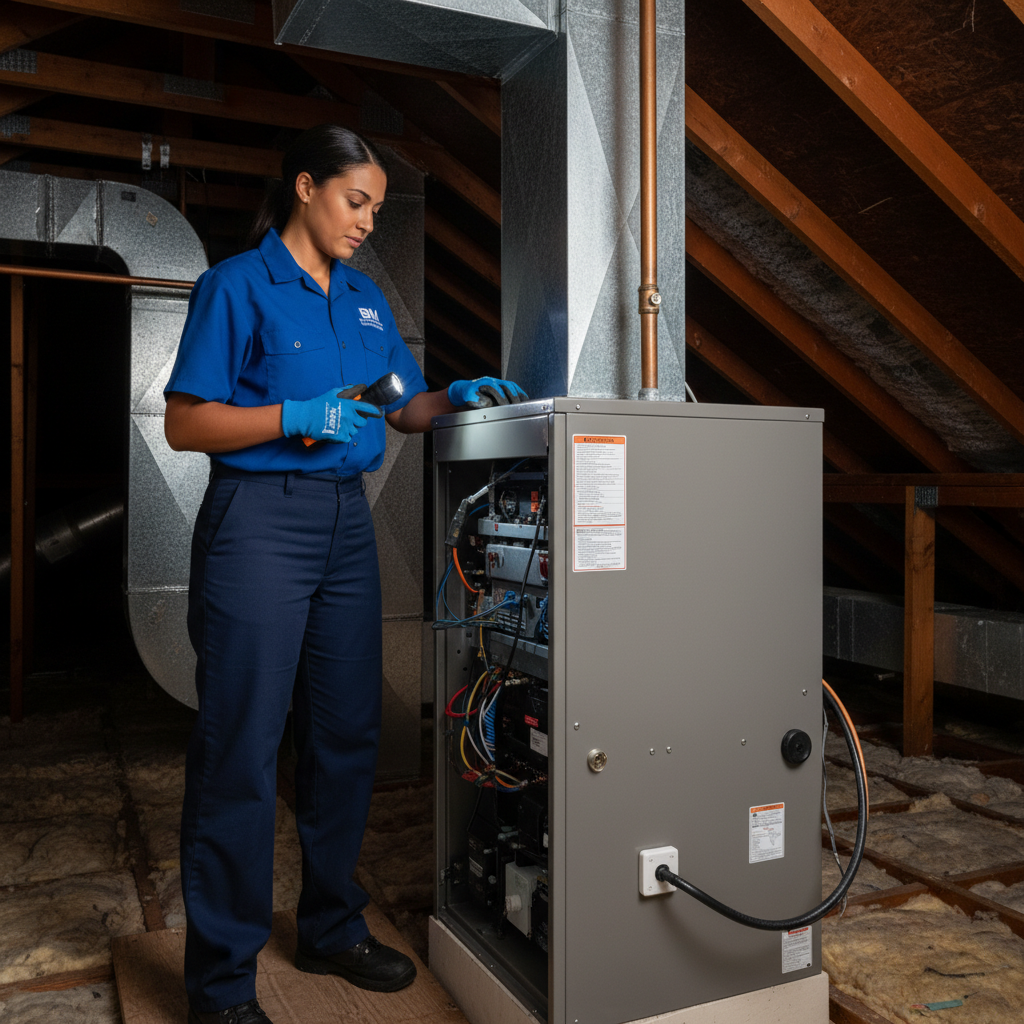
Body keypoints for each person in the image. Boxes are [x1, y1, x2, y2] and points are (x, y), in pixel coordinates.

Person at [164, 123, 527, 1024]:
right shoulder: (237, 286)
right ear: (303, 188)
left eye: (373, 206)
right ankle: (219, 985)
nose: (366, 219)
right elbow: (185, 423)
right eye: (353, 200)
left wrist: (457, 397)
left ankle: (329, 924)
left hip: (344, 529)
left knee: (347, 733)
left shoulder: (365, 301)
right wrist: (291, 413)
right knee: (241, 749)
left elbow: (402, 411)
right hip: (258, 526)